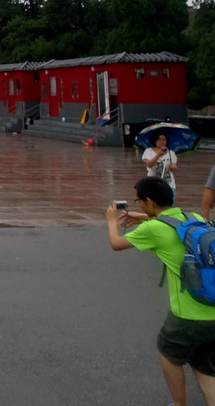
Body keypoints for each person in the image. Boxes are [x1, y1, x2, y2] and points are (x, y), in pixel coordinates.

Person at [107, 177, 215, 406]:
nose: (138, 205)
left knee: (168, 353)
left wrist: (112, 220)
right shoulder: (194, 217)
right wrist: (141, 217)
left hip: (188, 316)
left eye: (139, 201)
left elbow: (116, 243)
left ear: (149, 201)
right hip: (212, 310)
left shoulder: (152, 228)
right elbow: (170, 222)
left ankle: (179, 404)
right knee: (204, 365)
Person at [143, 132, 178, 198]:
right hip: (153, 183)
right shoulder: (148, 151)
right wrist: (158, 155)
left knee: (169, 205)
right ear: (155, 140)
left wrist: (174, 167)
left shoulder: (171, 152)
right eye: (159, 139)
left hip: (169, 184)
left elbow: (174, 166)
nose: (161, 142)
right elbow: (149, 165)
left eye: (163, 139)